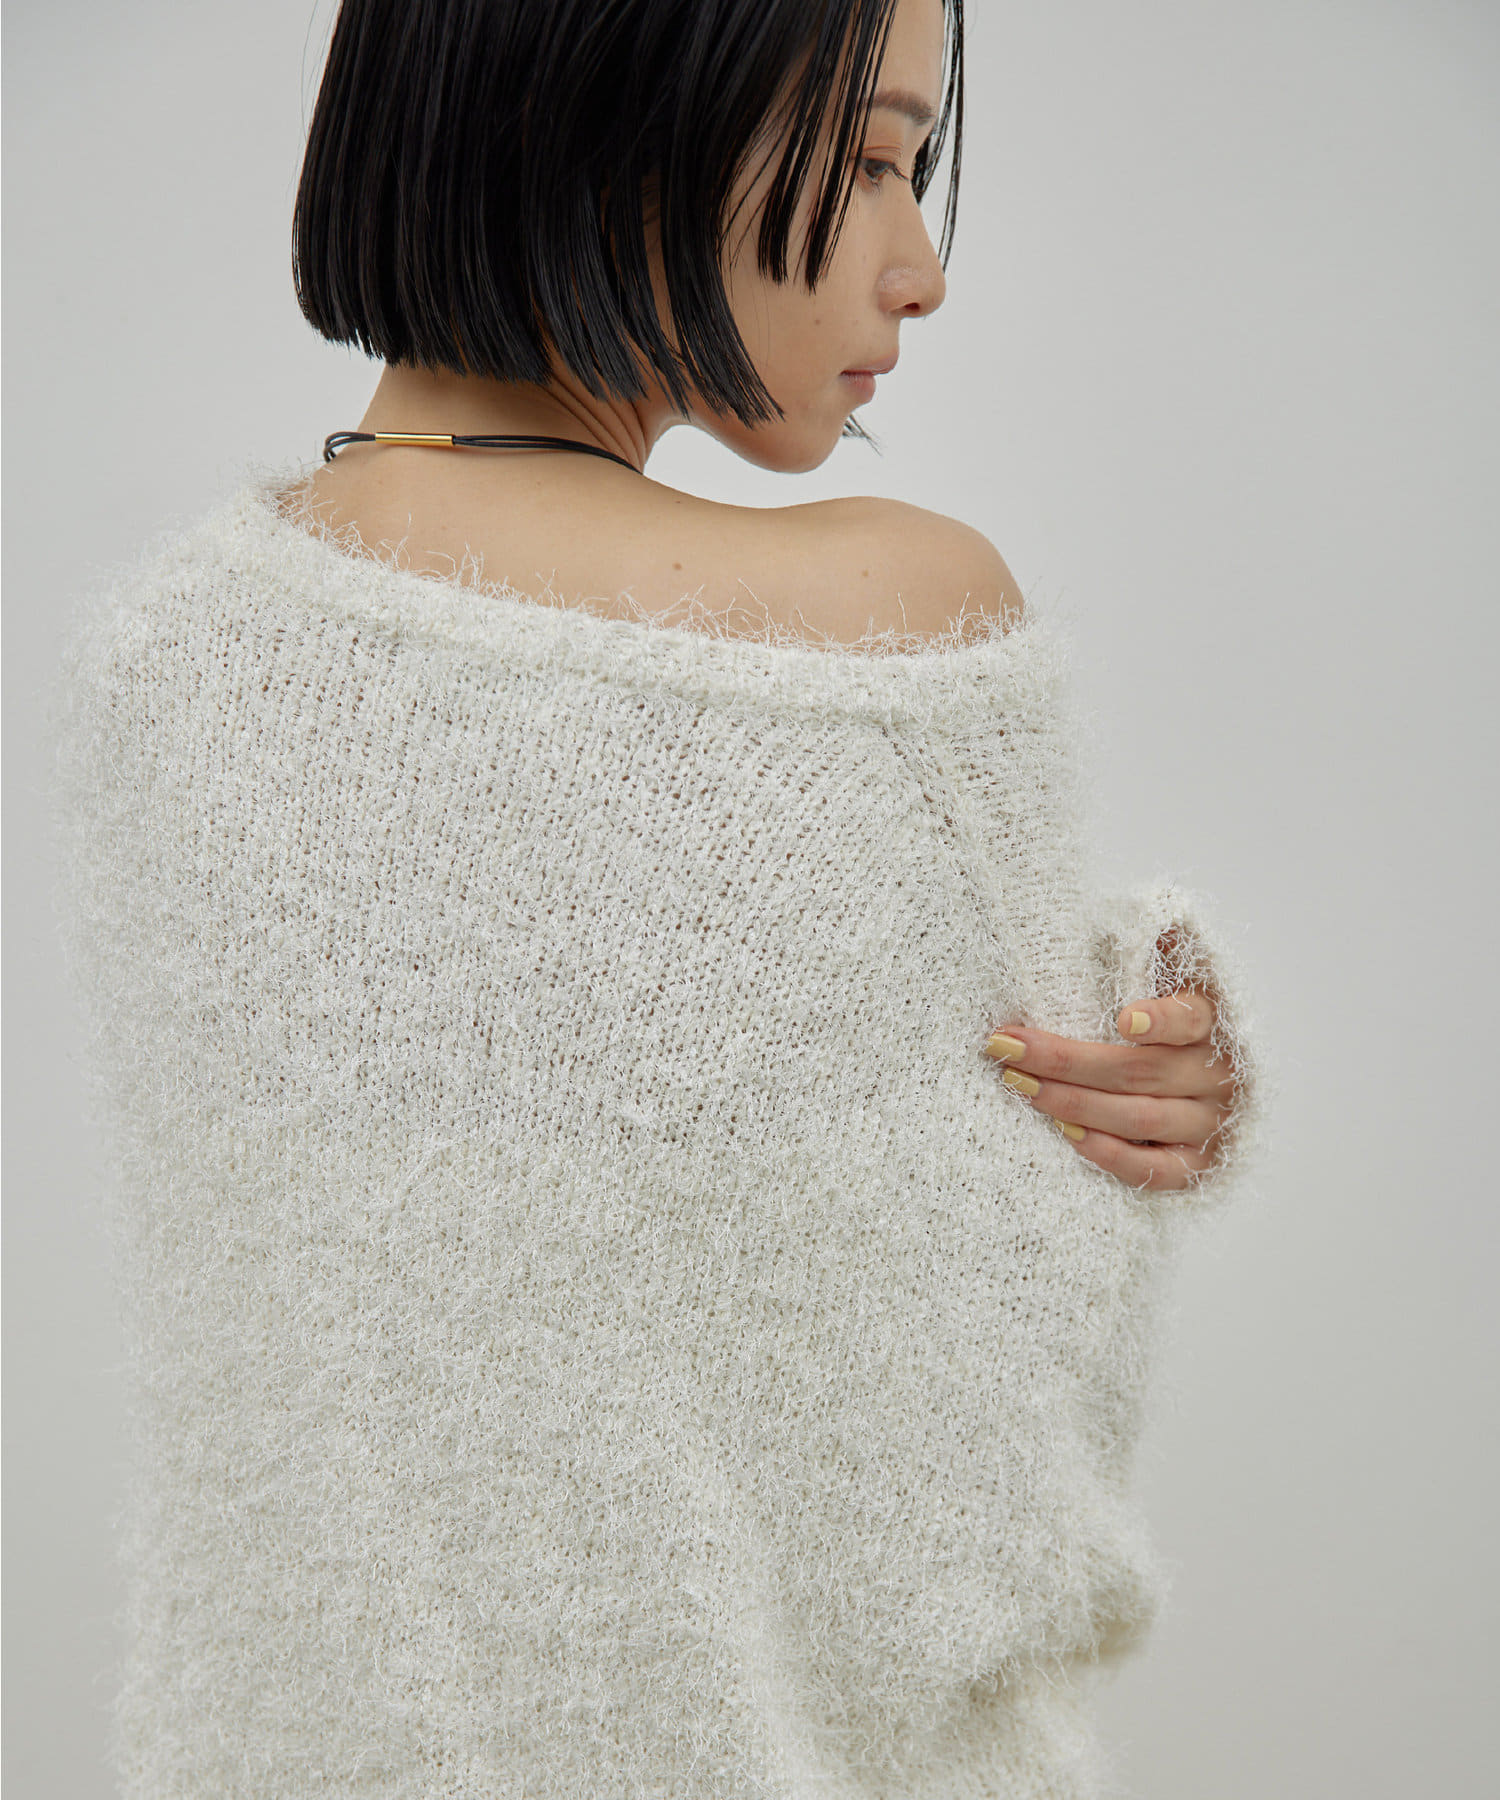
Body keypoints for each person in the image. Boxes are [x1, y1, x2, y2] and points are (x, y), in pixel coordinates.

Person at [44, 0, 1268, 1793]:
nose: (920, 268)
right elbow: (990, 1432)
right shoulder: (897, 637)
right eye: (872, 159)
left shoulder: (166, 655)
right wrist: (1175, 1065)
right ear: (619, 105)